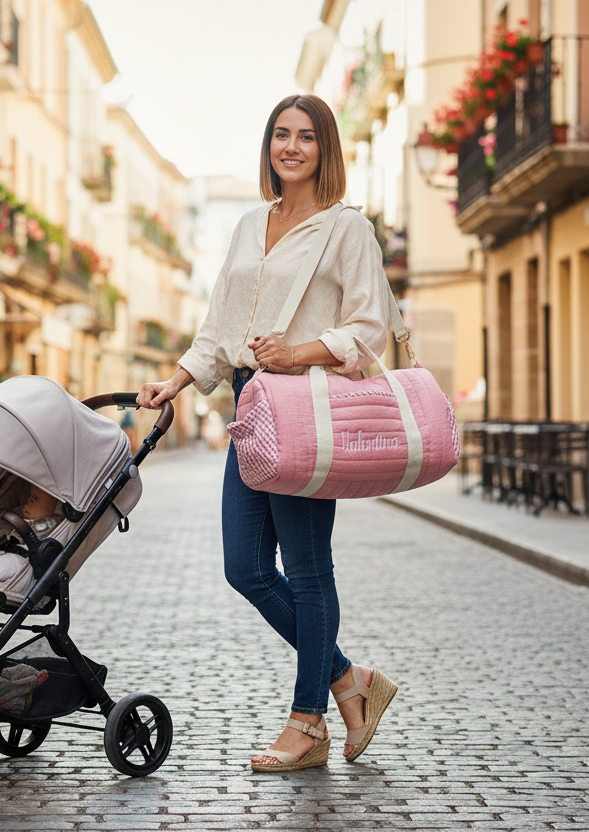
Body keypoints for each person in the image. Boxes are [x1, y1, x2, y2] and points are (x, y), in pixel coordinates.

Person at [137, 94, 399, 773]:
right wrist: (179, 380)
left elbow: (369, 328)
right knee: (245, 566)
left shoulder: (346, 229)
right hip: (252, 401)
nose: (291, 147)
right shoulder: (252, 224)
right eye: (280, 135)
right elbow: (220, 322)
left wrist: (298, 352)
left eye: (305, 137)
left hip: (307, 403)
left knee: (308, 570)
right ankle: (349, 682)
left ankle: (307, 723)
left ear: (324, 149)